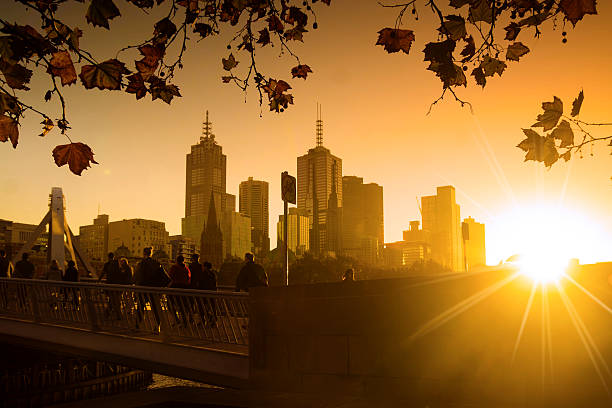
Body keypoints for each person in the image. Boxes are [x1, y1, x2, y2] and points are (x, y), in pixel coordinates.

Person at [134, 247, 168, 331]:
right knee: (156, 308)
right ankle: (157, 326)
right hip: (154, 290)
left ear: (143, 253)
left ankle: (137, 325)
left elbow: (137, 277)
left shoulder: (141, 263)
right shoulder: (156, 263)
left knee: (140, 307)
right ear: (151, 253)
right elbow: (166, 278)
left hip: (143, 289)